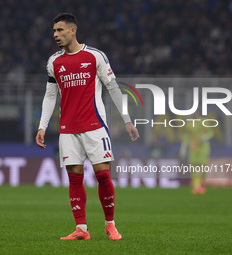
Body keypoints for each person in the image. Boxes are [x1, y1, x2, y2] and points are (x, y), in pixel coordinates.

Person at [35, 13, 139, 240]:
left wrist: (127, 120)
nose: (55, 35)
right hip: (67, 129)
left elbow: (112, 87)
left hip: (95, 126)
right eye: (54, 31)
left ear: (73, 31)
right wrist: (42, 126)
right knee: (74, 178)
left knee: (103, 176)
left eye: (60, 30)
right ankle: (81, 229)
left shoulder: (95, 56)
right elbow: (50, 96)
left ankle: (110, 225)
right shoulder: (54, 62)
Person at [179, 111, 214, 194]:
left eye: (195, 112)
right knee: (193, 167)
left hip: (203, 148)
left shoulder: (203, 122)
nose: (194, 114)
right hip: (193, 147)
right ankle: (196, 186)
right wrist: (183, 148)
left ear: (198, 113)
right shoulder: (189, 124)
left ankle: (202, 184)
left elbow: (211, 133)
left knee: (203, 167)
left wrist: (205, 137)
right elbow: (186, 136)